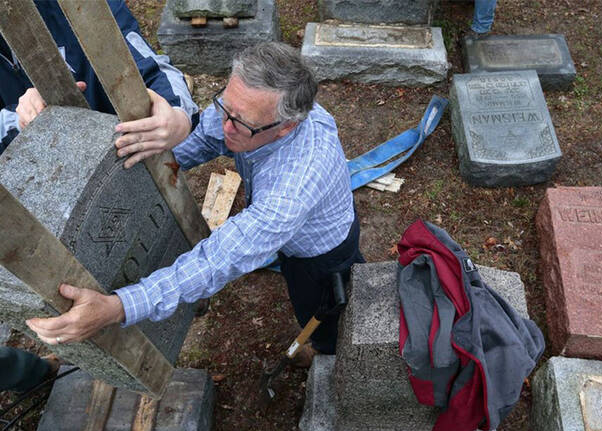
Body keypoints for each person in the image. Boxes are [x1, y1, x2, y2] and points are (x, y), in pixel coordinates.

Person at [26, 42, 365, 366]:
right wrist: (157, 168)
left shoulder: (292, 188)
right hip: (286, 227)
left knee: (322, 307)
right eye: (225, 107)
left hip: (322, 253)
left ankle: (327, 351)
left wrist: (118, 307)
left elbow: (219, 259)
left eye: (241, 123)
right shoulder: (249, 114)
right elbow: (205, 137)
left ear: (286, 126)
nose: (226, 125)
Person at [0, 0, 199, 168]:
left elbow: (151, 66)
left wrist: (178, 116)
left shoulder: (85, 6)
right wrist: (16, 119)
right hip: (43, 172)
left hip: (123, 153)